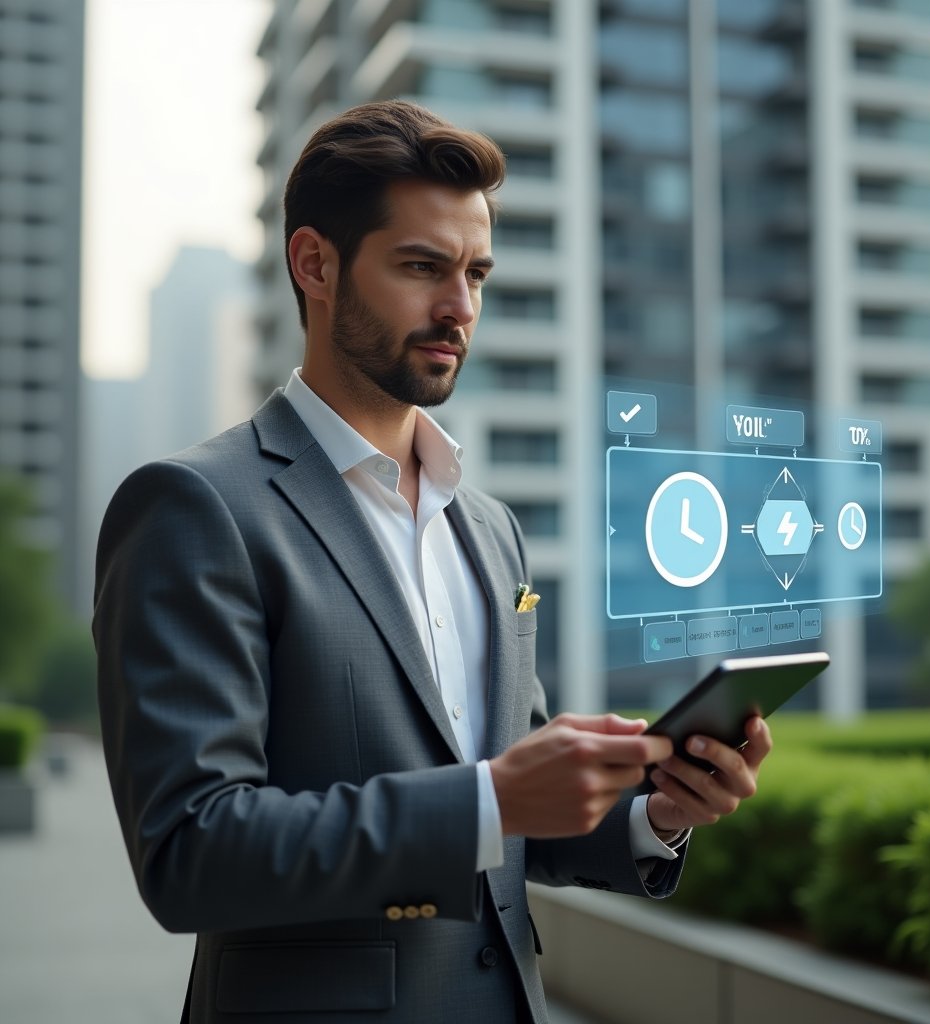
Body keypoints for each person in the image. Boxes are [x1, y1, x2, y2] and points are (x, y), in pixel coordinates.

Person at [94, 100, 771, 1024]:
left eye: (476, 274)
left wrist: (657, 812)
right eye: (422, 268)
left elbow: (518, 810)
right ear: (315, 264)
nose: (460, 308)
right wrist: (492, 795)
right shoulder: (195, 508)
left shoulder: (488, 527)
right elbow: (190, 853)